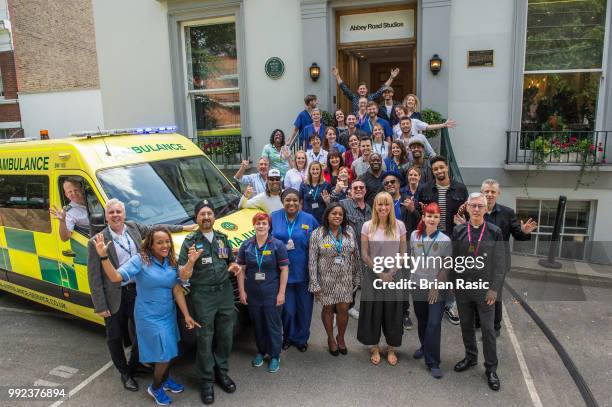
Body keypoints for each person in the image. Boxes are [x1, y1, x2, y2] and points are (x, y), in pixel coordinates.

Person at [87, 199, 193, 392]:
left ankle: (135, 365)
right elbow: (94, 276)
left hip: (138, 291)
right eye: (111, 213)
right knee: (115, 335)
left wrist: (184, 227)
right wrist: (100, 305)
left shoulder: (134, 228)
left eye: (119, 211)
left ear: (124, 214)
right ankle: (125, 373)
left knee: (140, 334)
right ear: (106, 216)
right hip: (115, 294)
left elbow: (158, 230)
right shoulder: (97, 241)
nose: (116, 215)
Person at [178, 200, 242, 405]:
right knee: (205, 338)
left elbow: (230, 260)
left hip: (224, 293)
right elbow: (183, 275)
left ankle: (221, 372)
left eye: (209, 213)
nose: (206, 217)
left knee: (226, 335)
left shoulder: (222, 238)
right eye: (202, 214)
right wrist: (191, 261)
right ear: (196, 218)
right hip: (203, 295)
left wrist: (234, 266)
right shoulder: (190, 241)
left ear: (214, 217)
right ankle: (206, 381)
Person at [456, 179, 537, 336]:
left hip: (498, 263)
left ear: (498, 194)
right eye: (486, 191)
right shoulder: (473, 209)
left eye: (493, 192)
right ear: (481, 193)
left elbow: (517, 234)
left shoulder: (507, 213)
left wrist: (525, 233)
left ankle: (496, 326)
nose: (490, 194)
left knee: (495, 295)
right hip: (476, 262)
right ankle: (478, 322)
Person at [451, 193, 506, 392]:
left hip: (485, 290)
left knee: (488, 330)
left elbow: (501, 263)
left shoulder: (494, 231)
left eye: (480, 206)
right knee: (466, 325)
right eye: (472, 205)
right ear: (467, 207)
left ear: (485, 209)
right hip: (463, 289)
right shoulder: (458, 231)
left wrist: (494, 289)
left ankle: (491, 369)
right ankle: (471, 357)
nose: (476, 209)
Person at [418, 156, 468, 325]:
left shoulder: (460, 189)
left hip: (452, 238)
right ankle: (431, 300)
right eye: (435, 169)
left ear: (447, 168)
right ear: (432, 172)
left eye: (441, 167)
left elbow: (465, 216)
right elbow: (421, 214)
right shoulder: (425, 188)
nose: (439, 171)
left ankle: (449, 304)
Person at [358, 192, 406, 366]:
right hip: (373, 273)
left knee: (392, 311)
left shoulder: (399, 226)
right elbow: (364, 254)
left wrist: (391, 272)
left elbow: (403, 253)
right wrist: (380, 273)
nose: (383, 208)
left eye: (387, 204)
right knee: (373, 311)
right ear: (375, 206)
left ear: (391, 207)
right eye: (380, 204)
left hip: (394, 274)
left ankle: (391, 348)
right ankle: (375, 346)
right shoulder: (367, 226)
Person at [236, 212, 289, 373]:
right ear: (253, 225)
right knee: (258, 324)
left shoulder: (277, 245)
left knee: (272, 324)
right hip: (252, 293)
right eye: (258, 223)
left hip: (271, 292)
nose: (261, 226)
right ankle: (261, 351)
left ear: (269, 226)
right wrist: (242, 291)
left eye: (264, 223)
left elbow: (284, 269)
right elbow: (241, 270)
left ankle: (274, 355)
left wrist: (281, 293)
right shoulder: (246, 245)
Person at [271, 189, 319, 352]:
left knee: (304, 310)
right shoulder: (274, 217)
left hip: (305, 272)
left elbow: (319, 241)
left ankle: (302, 338)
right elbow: (263, 235)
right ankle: (289, 337)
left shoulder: (309, 219)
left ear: (300, 202)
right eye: (287, 200)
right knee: (288, 310)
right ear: (282, 201)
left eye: (294, 200)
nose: (291, 203)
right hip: (282, 273)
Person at [309, 203, 360, 356]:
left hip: (345, 277)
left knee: (344, 309)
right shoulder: (317, 233)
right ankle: (331, 339)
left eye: (340, 214)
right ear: (327, 215)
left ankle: (341, 337)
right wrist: (314, 284)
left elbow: (356, 254)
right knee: (328, 309)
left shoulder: (349, 231)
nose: (337, 216)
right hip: (326, 278)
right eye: (334, 213)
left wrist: (357, 277)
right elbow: (312, 261)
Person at [409, 203, 452, 379]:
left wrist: (435, 286)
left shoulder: (444, 240)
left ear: (439, 219)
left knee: (434, 323)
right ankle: (424, 346)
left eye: (435, 216)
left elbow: (446, 266)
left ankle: (433, 362)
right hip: (417, 285)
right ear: (424, 217)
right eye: (429, 216)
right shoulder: (414, 236)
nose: (432, 219)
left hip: (437, 288)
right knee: (422, 319)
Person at [382, 171, 420, 330]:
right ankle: (388, 312)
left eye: (393, 182)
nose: (390, 184)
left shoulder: (408, 201)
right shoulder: (382, 202)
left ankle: (404, 313)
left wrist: (413, 210)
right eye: (386, 183)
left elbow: (420, 224)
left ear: (399, 184)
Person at [339, 180, 372, 320]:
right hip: (348, 252)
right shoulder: (343, 204)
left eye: (361, 187)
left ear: (365, 190)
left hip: (365, 253)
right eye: (355, 187)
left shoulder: (370, 208)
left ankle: (352, 307)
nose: (358, 189)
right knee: (344, 283)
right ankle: (336, 312)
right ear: (350, 191)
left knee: (360, 282)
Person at [332, 65, 399, 114]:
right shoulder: (354, 97)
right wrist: (337, 76)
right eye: (360, 89)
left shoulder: (371, 97)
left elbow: (382, 90)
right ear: (358, 91)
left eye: (363, 89)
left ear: (366, 90)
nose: (362, 90)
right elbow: (345, 89)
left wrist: (391, 78)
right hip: (357, 122)